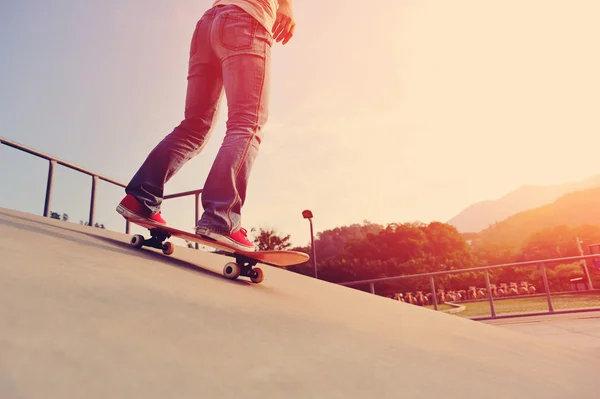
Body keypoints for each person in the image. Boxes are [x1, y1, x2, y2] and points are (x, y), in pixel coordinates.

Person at [116, 0, 296, 252]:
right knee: (247, 124)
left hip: (207, 26)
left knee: (194, 127)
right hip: (246, 21)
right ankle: (220, 219)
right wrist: (286, 5)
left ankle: (141, 199)